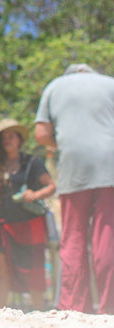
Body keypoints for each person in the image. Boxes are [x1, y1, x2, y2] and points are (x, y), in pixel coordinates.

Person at [35, 64, 114, 314]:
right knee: (107, 238)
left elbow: (42, 134)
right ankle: (109, 306)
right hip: (109, 165)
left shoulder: (55, 87)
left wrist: (64, 141)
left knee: (74, 237)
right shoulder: (110, 84)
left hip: (73, 165)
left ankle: (75, 307)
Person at [0, 119, 55, 310]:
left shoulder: (31, 163)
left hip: (30, 225)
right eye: (3, 138)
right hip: (3, 225)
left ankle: (39, 315)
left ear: (19, 139)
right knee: (2, 272)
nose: (7, 141)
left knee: (35, 272)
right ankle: (0, 314)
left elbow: (51, 186)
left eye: (11, 136)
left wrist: (35, 194)